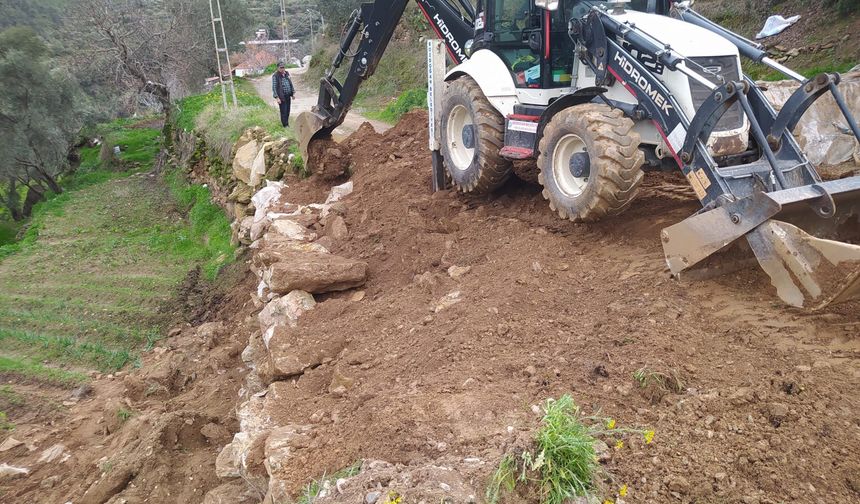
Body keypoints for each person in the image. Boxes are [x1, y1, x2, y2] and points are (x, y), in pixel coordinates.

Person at [272, 62, 295, 127]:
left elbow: (290, 83)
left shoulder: (287, 74)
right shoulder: (275, 76)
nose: (282, 69)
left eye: (283, 67)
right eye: (281, 68)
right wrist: (277, 97)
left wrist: (292, 93)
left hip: (288, 95)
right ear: (278, 68)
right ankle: (285, 125)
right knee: (283, 111)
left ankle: (287, 124)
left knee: (288, 110)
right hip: (281, 97)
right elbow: (274, 87)